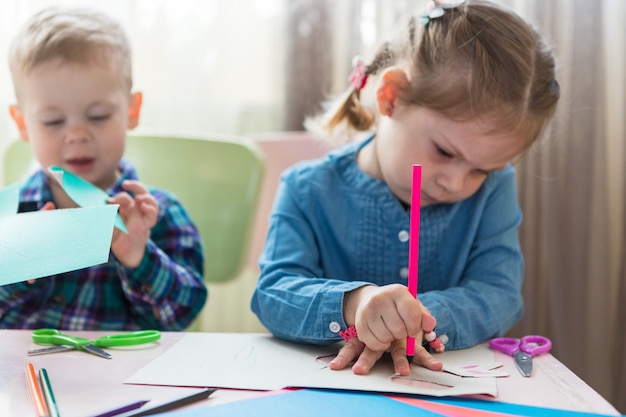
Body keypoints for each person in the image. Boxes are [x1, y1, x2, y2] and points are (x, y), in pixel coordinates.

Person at [251, 0, 559, 376]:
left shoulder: (493, 190)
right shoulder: (305, 188)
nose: (455, 182)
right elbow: (273, 293)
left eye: (482, 169)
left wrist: (412, 320)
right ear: (391, 96)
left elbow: (499, 294)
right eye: (445, 151)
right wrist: (355, 303)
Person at [0, 6, 208, 331]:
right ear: (22, 124)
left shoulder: (159, 214)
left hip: (122, 379)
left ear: (132, 110)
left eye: (97, 116)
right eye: (53, 121)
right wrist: (15, 267)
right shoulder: (8, 217)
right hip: (24, 380)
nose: (78, 135)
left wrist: (139, 256)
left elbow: (183, 314)